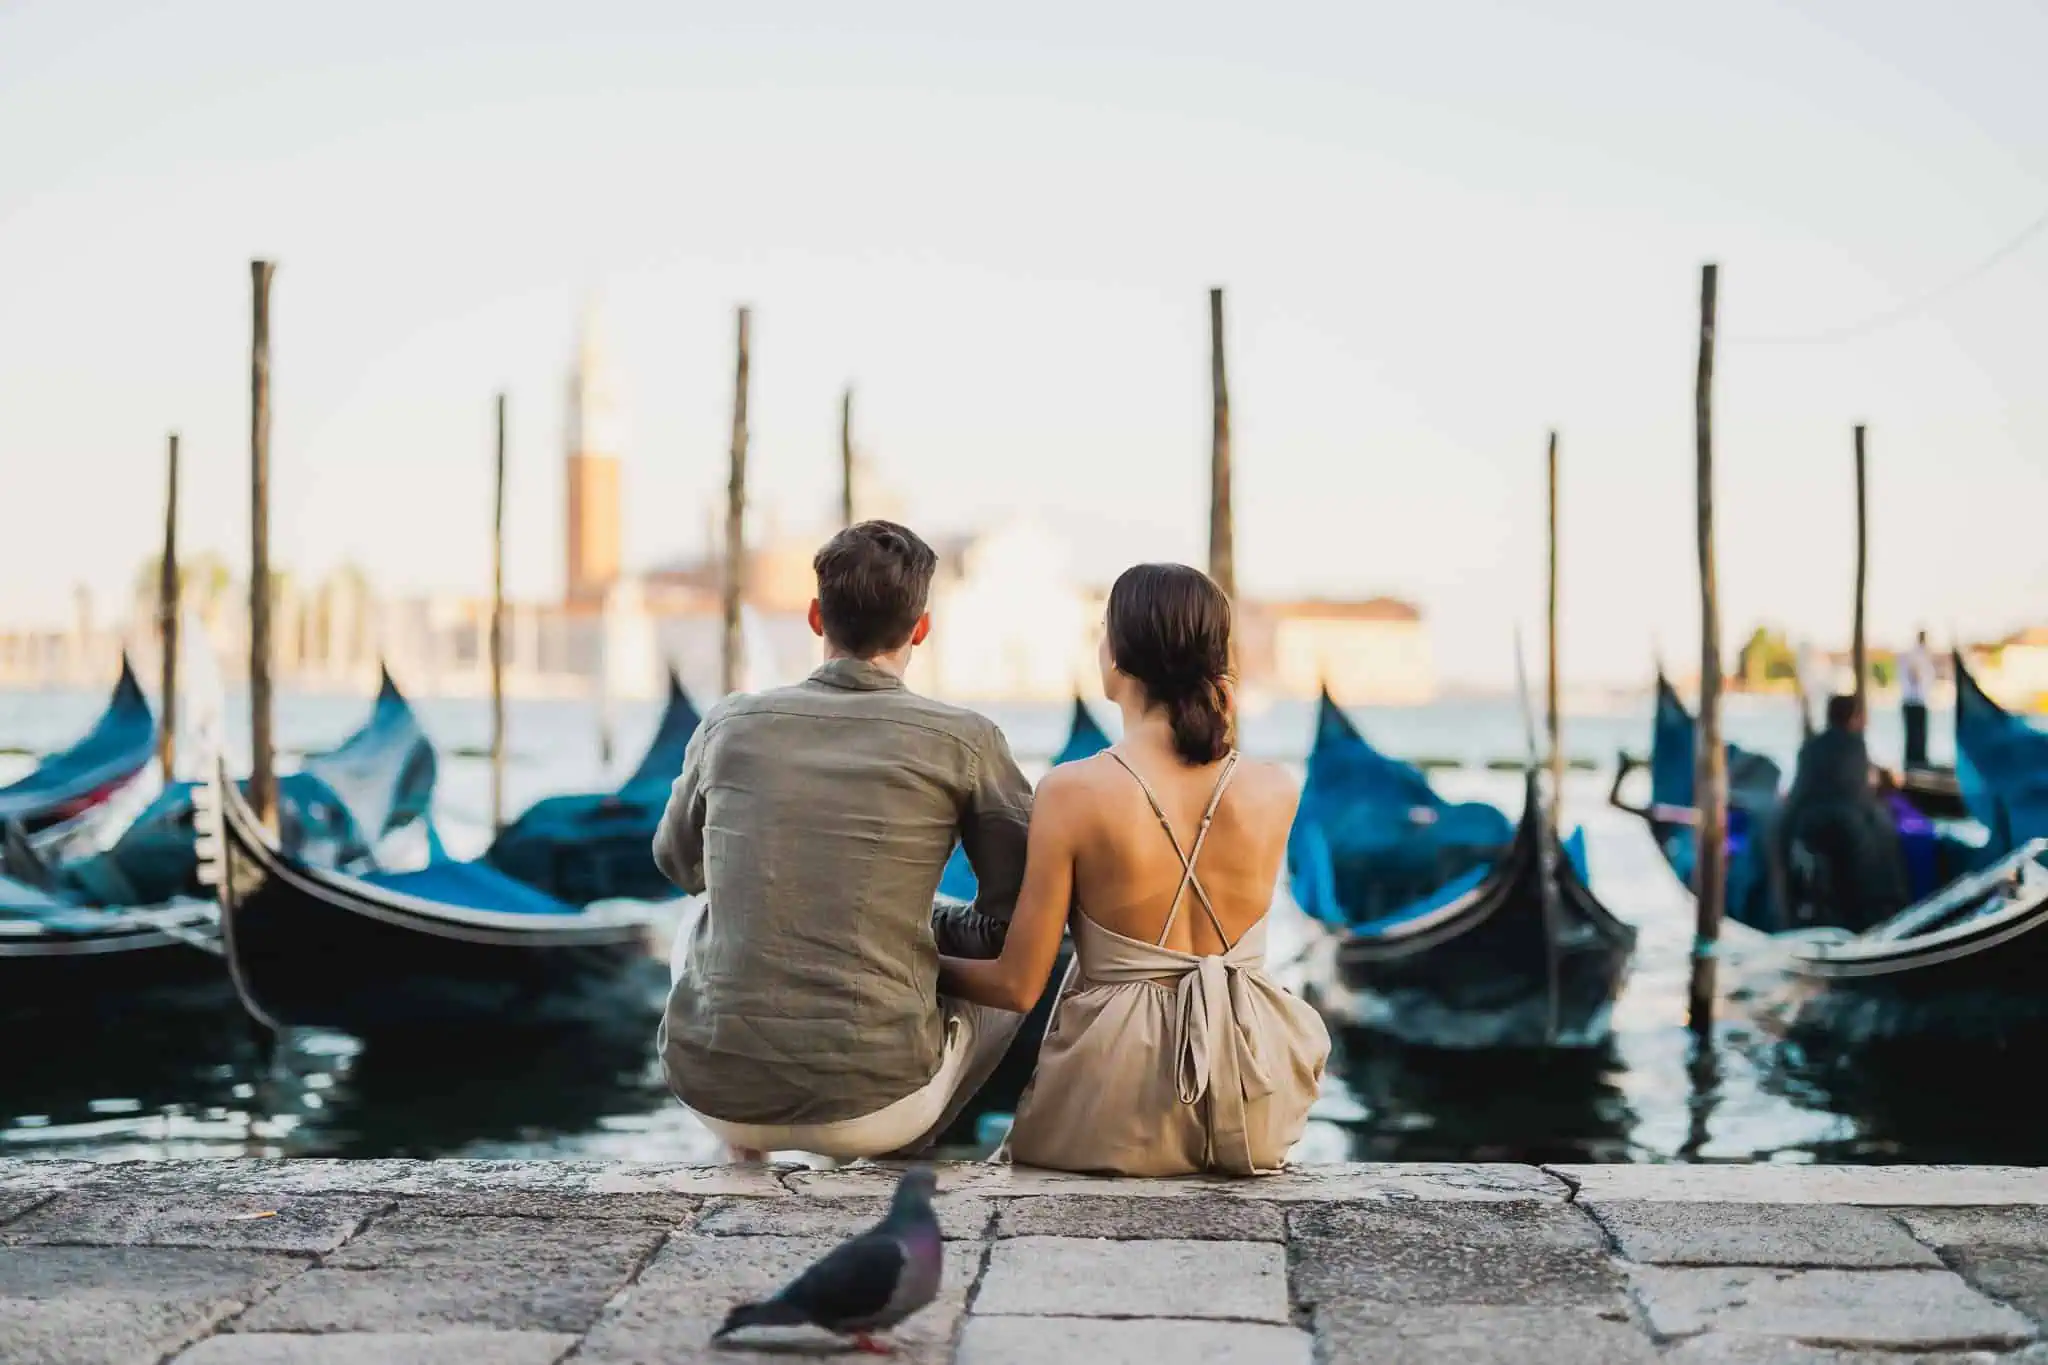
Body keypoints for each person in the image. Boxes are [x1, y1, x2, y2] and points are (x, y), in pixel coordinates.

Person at [653, 520, 1035, 1162]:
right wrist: (917, 938)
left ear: (813, 616)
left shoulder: (729, 722)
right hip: (881, 1110)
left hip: (712, 1096)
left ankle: (746, 1151)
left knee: (702, 915)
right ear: (921, 628)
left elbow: (679, 865)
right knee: (1016, 978)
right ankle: (903, 1147)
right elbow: (1015, 914)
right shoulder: (965, 740)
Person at [940, 563, 1329, 1177]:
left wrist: (906, 960)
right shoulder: (1275, 788)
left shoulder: (1071, 791)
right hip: (1252, 1094)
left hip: (1115, 1103)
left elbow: (1017, 985)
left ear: (1118, 656)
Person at [1775, 693, 1909, 931]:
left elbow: (1799, 793)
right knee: (1880, 837)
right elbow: (1861, 796)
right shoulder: (1855, 746)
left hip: (1810, 826)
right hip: (1846, 827)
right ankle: (1872, 915)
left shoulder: (1810, 747)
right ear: (1854, 718)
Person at [1900, 630, 1935, 771]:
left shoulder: (1919, 654)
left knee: (1916, 737)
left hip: (1916, 701)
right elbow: (1914, 674)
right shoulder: (1918, 655)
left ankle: (1915, 764)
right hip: (1915, 701)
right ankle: (1916, 765)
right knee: (1917, 736)